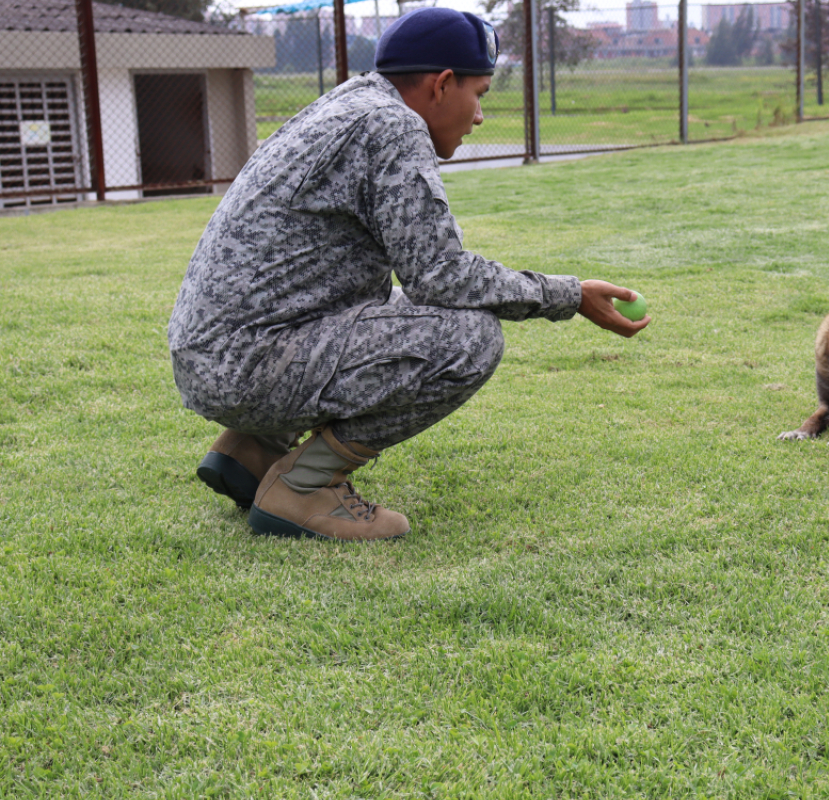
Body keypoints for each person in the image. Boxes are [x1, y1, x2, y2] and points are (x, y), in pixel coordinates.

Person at [167, 8, 649, 542]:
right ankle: (304, 487)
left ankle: (251, 450)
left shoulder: (351, 102)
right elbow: (442, 276)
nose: (480, 117)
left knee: (396, 307)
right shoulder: (391, 124)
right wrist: (571, 295)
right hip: (245, 365)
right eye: (481, 94)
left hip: (217, 353)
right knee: (469, 339)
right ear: (443, 84)